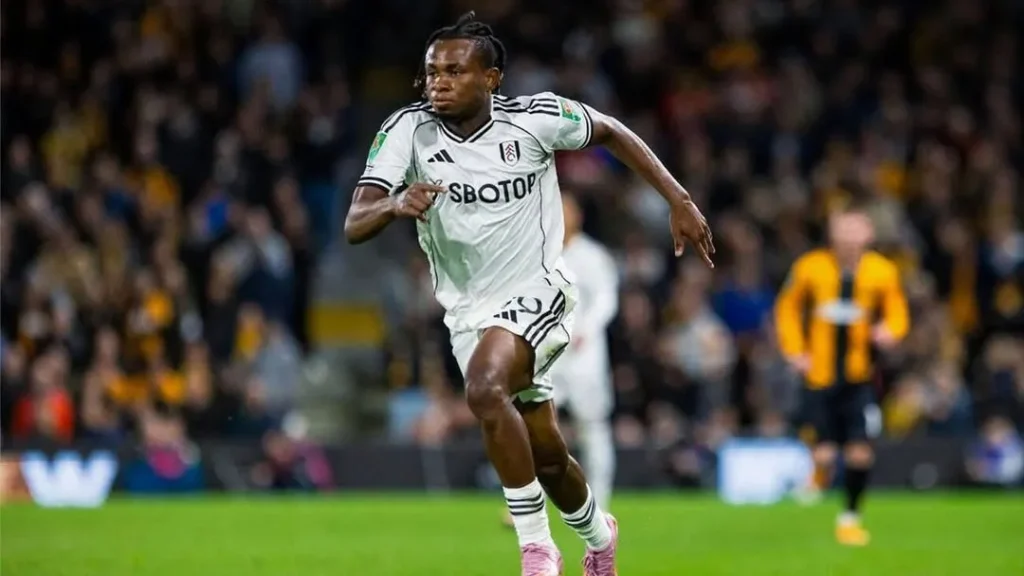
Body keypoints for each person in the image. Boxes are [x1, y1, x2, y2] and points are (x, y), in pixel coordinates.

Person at [345, 12, 714, 576]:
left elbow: (612, 131)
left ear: (491, 79)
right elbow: (355, 221)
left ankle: (537, 549)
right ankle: (599, 537)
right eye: (432, 72)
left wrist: (678, 199)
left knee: (484, 387)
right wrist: (394, 204)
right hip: (467, 311)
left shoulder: (536, 119)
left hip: (538, 290)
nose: (439, 82)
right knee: (547, 456)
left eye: (454, 71)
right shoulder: (407, 131)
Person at [774, 204, 909, 546]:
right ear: (831, 232)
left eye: (855, 229)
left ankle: (850, 517)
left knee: (860, 451)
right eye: (842, 228)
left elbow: (897, 312)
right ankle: (817, 477)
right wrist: (795, 350)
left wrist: (890, 331)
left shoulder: (882, 272)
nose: (848, 236)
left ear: (869, 234)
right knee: (824, 454)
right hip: (818, 377)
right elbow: (787, 308)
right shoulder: (810, 267)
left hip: (859, 378)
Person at [502, 193, 619, 528]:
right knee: (533, 428)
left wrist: (587, 329)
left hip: (584, 358)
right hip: (546, 356)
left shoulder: (593, 256)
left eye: (565, 210)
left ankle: (600, 504)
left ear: (578, 216)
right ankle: (527, 505)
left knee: (593, 428)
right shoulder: (540, 252)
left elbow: (607, 300)